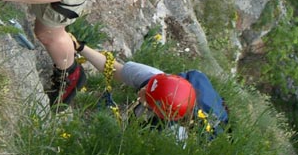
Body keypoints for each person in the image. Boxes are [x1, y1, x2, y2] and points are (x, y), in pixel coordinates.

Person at [72, 38, 229, 138]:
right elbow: (115, 69)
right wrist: (80, 47)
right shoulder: (156, 80)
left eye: (146, 96)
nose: (141, 91)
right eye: (146, 87)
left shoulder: (173, 136)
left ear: (160, 112)